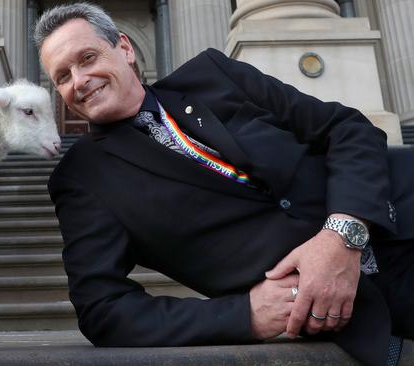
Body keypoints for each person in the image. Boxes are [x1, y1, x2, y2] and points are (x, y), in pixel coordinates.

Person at [34, 3, 414, 365]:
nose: (79, 81)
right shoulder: (83, 177)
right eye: (62, 77)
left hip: (396, 206)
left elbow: (346, 128)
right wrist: (246, 313)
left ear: (124, 48)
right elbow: (102, 308)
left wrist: (341, 235)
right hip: (362, 303)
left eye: (87, 58)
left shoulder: (213, 74)